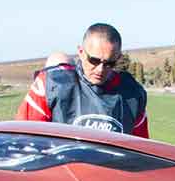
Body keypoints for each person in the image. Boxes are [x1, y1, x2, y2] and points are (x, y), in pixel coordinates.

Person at [16, 22, 149, 137]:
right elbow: (24, 138)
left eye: (109, 63)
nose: (100, 69)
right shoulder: (50, 85)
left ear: (118, 58)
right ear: (80, 52)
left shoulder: (133, 94)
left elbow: (140, 148)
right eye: (94, 60)